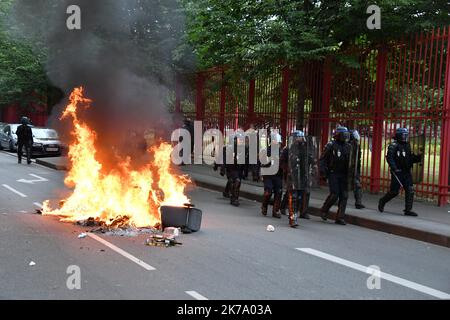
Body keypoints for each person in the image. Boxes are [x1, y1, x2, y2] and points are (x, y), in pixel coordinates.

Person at [378, 128, 422, 216]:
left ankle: (408, 210)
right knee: (394, 191)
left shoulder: (407, 145)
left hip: (406, 172)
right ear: (398, 135)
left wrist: (418, 157)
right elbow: (389, 158)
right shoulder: (393, 145)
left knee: (410, 190)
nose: (405, 137)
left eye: (406, 135)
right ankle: (382, 201)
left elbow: (409, 158)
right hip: (398, 172)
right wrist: (394, 168)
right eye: (403, 135)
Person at [282, 130, 316, 227]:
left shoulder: (305, 149)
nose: (299, 139)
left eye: (300, 137)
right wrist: (287, 170)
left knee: (301, 197)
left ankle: (297, 213)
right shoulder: (287, 149)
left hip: (302, 176)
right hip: (292, 176)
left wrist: (313, 168)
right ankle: (293, 218)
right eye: (297, 137)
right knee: (294, 197)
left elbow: (311, 160)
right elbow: (283, 161)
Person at [319, 126, 352, 225]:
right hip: (333, 173)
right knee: (335, 194)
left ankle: (340, 217)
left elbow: (352, 162)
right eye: (343, 134)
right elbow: (323, 159)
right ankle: (324, 210)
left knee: (344, 196)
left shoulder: (348, 146)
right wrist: (323, 172)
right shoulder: (331, 145)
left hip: (344, 174)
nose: (345, 137)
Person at [260, 132, 283, 218]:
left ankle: (276, 210)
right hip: (268, 174)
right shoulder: (266, 151)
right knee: (268, 192)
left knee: (279, 191)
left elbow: (285, 162)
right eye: (277, 142)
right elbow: (262, 162)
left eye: (279, 142)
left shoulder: (282, 152)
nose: (278, 144)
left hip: (277, 174)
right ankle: (264, 206)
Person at [349, 129, 365, 209]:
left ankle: (358, 202)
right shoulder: (346, 145)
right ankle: (336, 200)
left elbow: (357, 159)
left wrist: (357, 169)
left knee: (357, 185)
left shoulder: (357, 146)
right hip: (345, 169)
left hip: (354, 169)